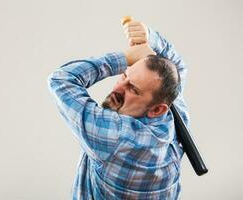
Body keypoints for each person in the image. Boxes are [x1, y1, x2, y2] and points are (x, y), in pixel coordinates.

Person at [47, 20, 189, 199]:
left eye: (133, 89)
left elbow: (62, 80)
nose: (118, 88)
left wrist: (124, 58)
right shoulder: (175, 121)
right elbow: (177, 68)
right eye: (124, 75)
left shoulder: (117, 137)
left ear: (156, 110)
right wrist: (150, 37)